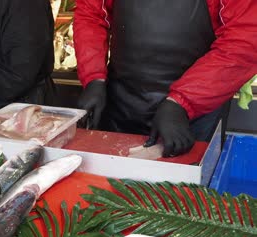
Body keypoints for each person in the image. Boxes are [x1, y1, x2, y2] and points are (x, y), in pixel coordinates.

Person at [74, 0, 257, 157]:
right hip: (120, 102)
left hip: (194, 113)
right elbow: (91, 14)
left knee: (183, 194)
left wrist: (183, 102)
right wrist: (94, 77)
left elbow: (244, 38)